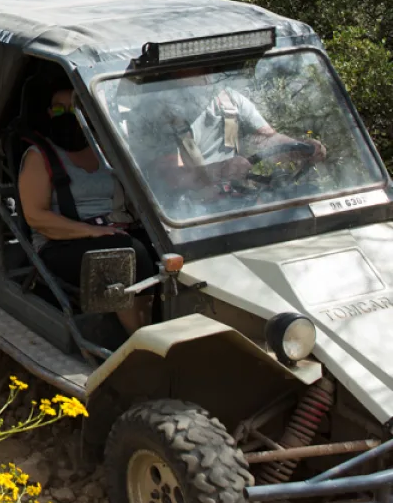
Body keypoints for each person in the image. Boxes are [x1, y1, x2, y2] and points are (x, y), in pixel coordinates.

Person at [18, 88, 154, 334]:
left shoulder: (106, 151)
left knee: (162, 247)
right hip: (61, 242)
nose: (67, 115)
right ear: (50, 113)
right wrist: (89, 231)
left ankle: (166, 321)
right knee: (129, 254)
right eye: (60, 109)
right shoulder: (39, 156)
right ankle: (139, 338)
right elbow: (36, 217)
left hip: (116, 229)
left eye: (75, 109)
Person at [125, 68, 327, 195]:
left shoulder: (228, 99)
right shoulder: (150, 112)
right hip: (181, 210)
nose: (207, 71)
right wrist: (220, 171)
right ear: (172, 68)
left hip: (229, 198)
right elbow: (163, 174)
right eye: (197, 64)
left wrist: (298, 147)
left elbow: (266, 139)